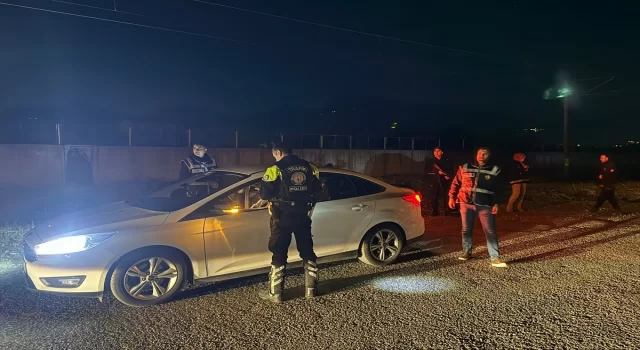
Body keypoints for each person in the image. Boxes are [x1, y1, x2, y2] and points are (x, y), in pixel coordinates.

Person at [258, 142, 324, 303]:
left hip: (282, 216)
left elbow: (264, 193)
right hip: (303, 215)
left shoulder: (275, 169)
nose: (274, 157)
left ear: (279, 152)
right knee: (307, 251)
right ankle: (311, 290)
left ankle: (276, 294)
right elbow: (318, 191)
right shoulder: (310, 167)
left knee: (279, 253)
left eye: (274, 154)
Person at [448, 147, 507, 268]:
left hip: (485, 204)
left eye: (485, 154)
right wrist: (451, 197)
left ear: (489, 156)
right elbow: (455, 183)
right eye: (480, 153)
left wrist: (497, 203)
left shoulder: (495, 170)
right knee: (466, 229)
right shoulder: (465, 167)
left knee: (490, 231)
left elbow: (500, 189)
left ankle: (494, 257)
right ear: (476, 155)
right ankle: (467, 252)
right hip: (465, 203)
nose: (482, 155)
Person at [425, 147, 453, 216]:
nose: (436, 152)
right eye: (435, 151)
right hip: (434, 182)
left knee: (446, 197)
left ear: (442, 152)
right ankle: (435, 212)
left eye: (438, 151)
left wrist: (446, 175)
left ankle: (447, 211)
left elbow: (450, 171)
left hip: (445, 182)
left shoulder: (446, 161)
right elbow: (426, 172)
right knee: (434, 197)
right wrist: (437, 172)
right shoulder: (430, 161)